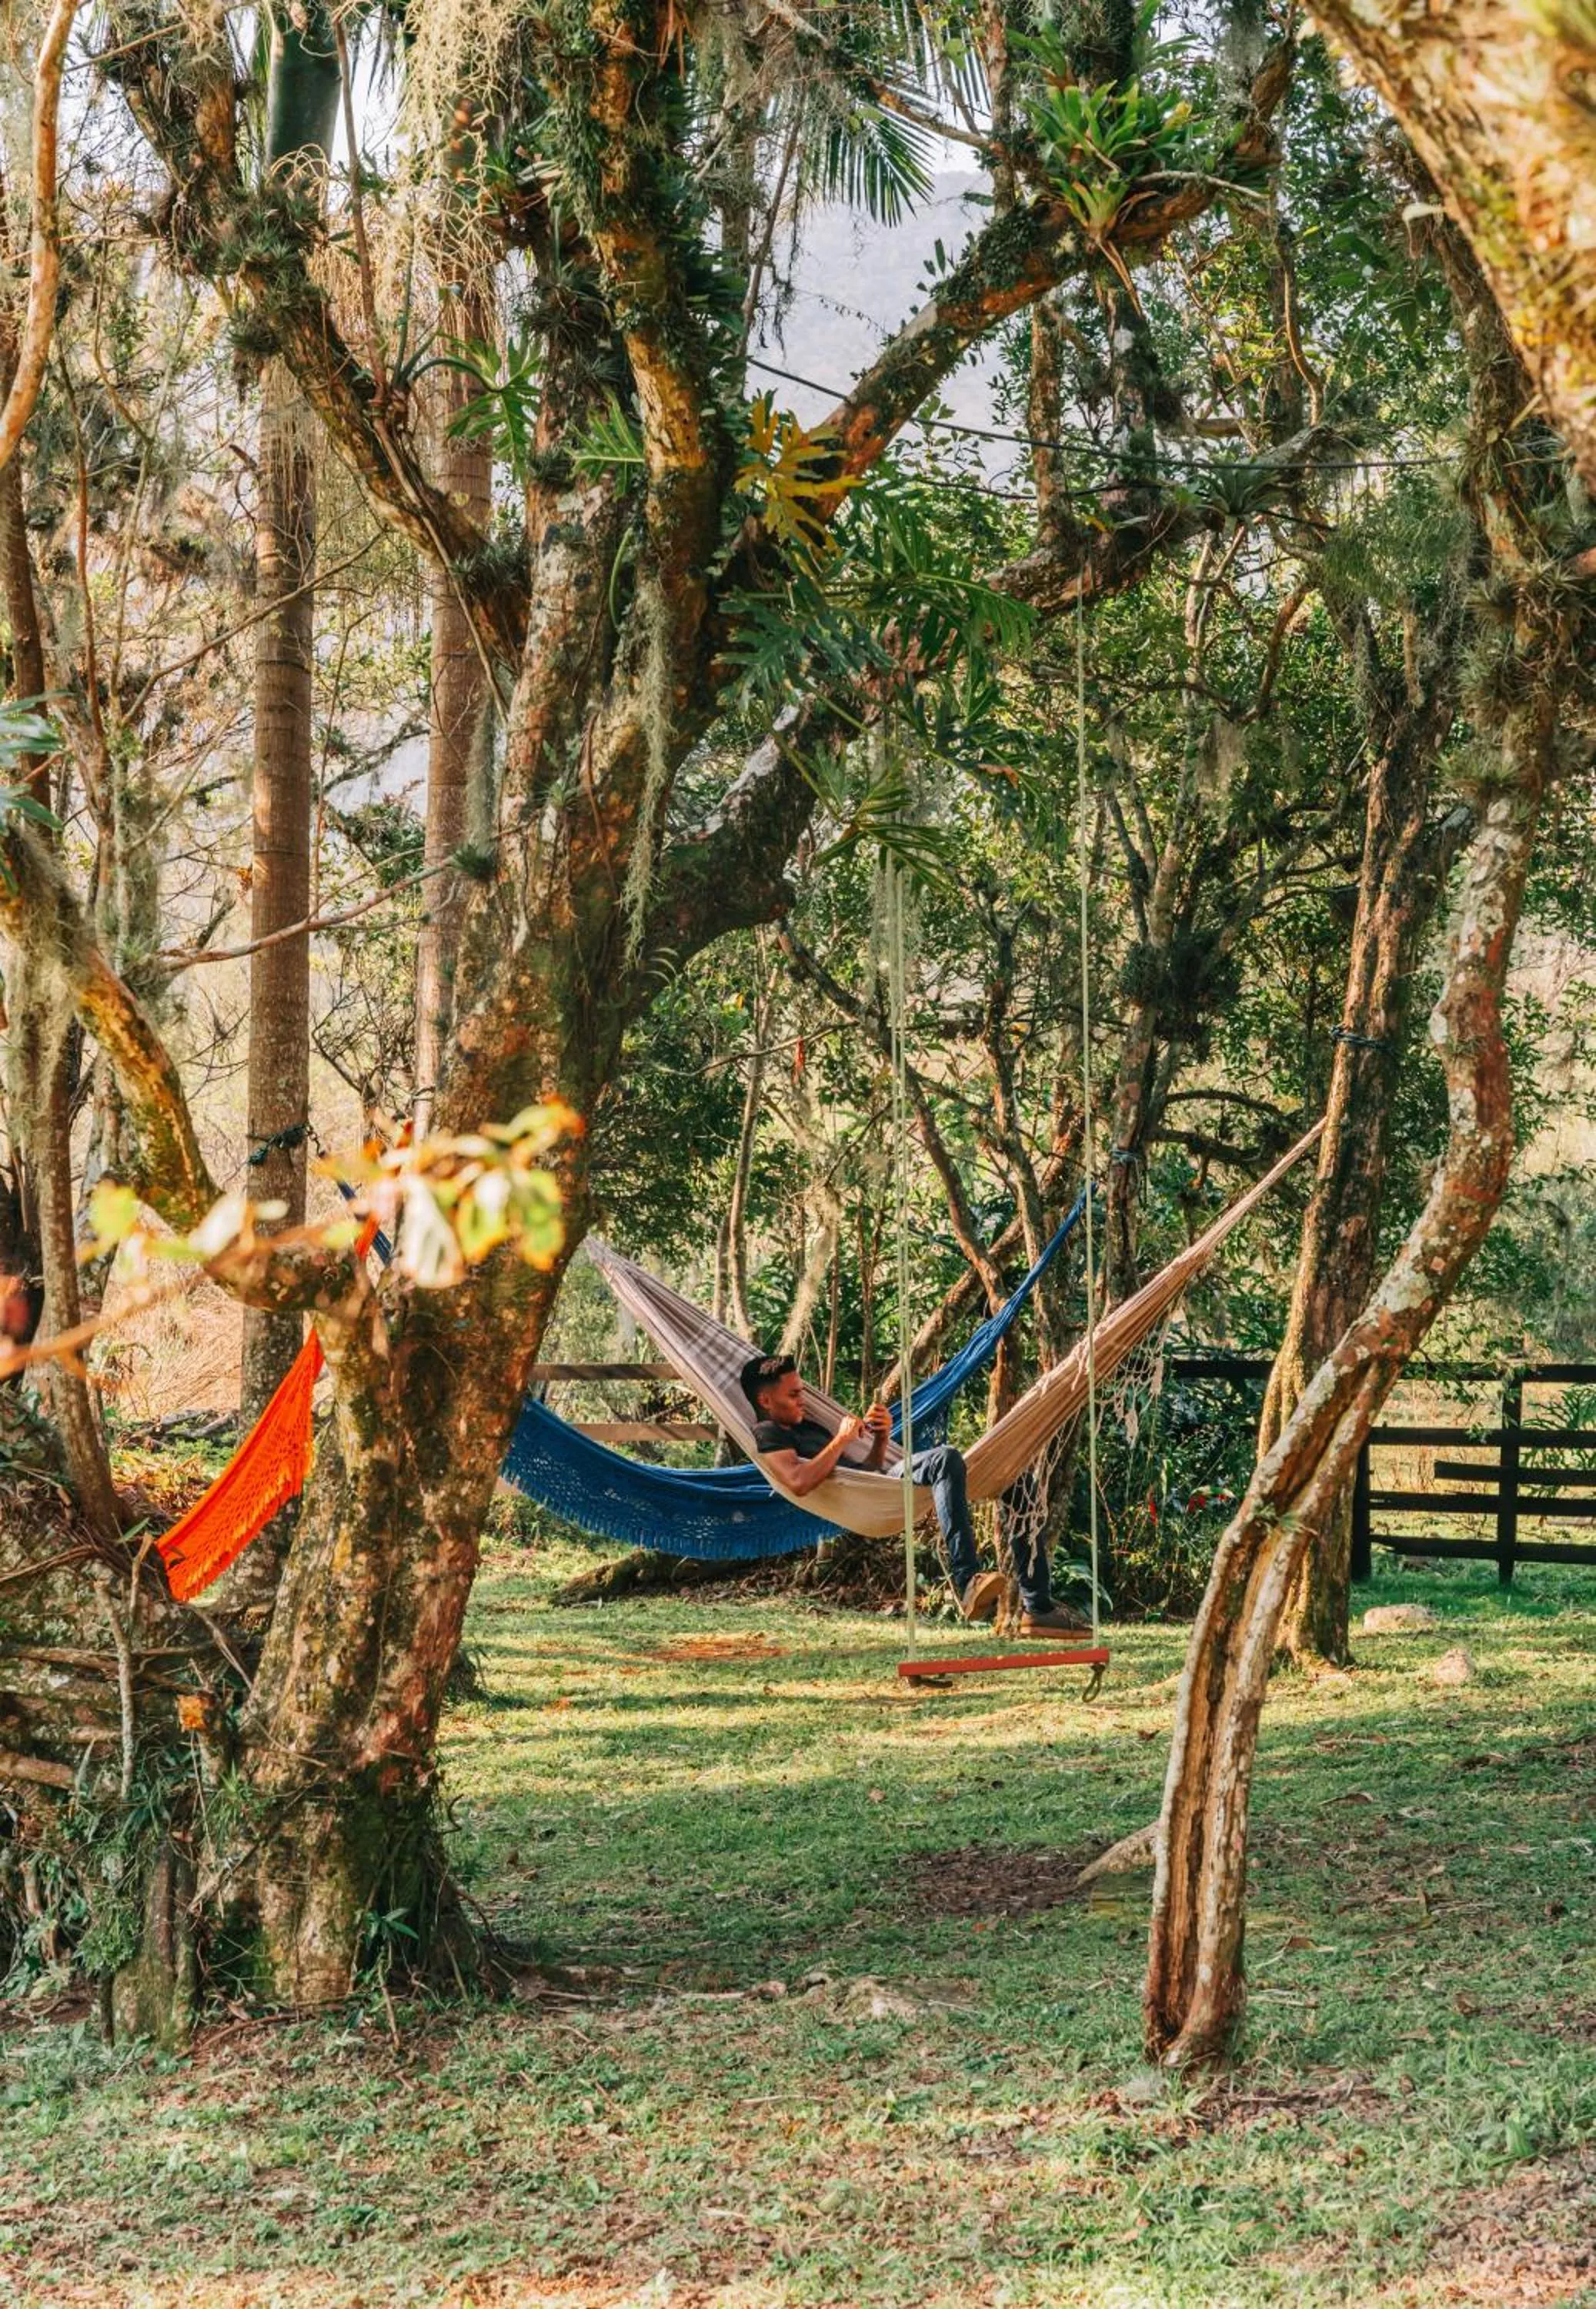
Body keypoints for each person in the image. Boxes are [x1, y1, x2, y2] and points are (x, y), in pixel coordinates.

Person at [738, 1351, 1087, 1635]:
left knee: (1017, 1480)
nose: (803, 1400)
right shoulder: (768, 1433)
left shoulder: (808, 1424)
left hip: (879, 1482)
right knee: (945, 1459)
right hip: (868, 1497)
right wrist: (842, 1439)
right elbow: (797, 1481)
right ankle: (967, 1580)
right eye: (794, 1394)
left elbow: (870, 1470)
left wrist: (881, 1439)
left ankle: (1038, 1607)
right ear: (766, 1400)